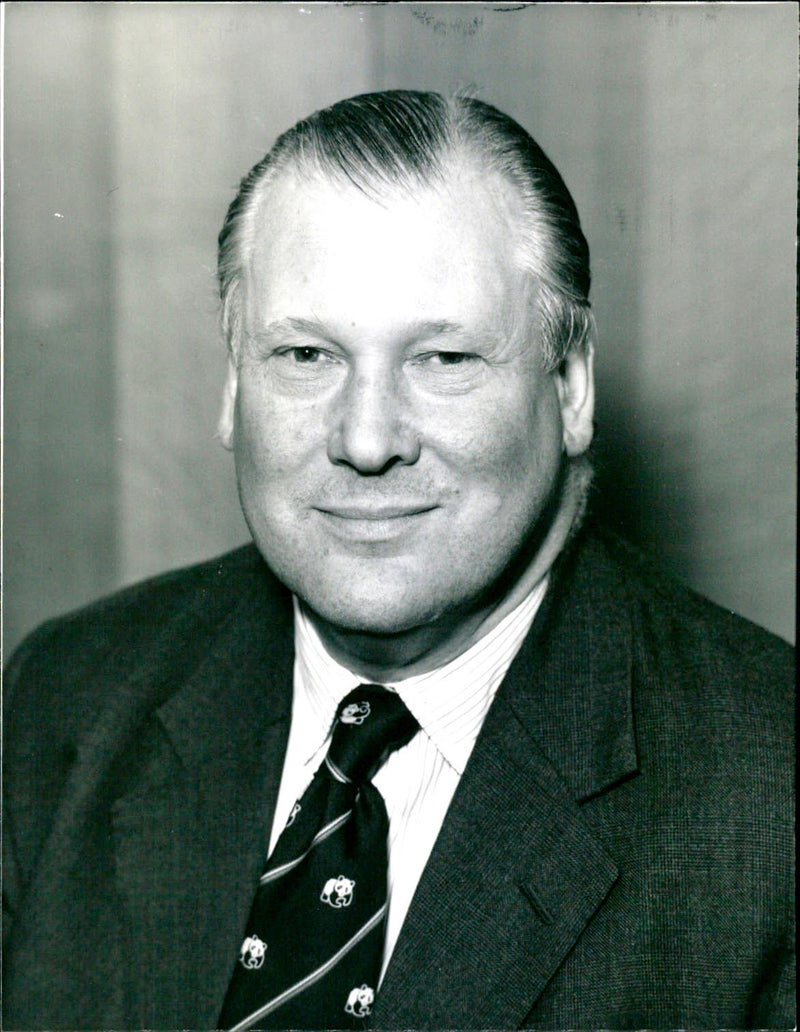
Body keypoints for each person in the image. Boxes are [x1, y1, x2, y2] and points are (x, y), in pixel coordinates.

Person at [2, 91, 793, 1031]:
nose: (367, 439)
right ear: (230, 390)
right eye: (305, 354)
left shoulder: (768, 798)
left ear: (571, 389)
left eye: (444, 359)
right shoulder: (67, 700)